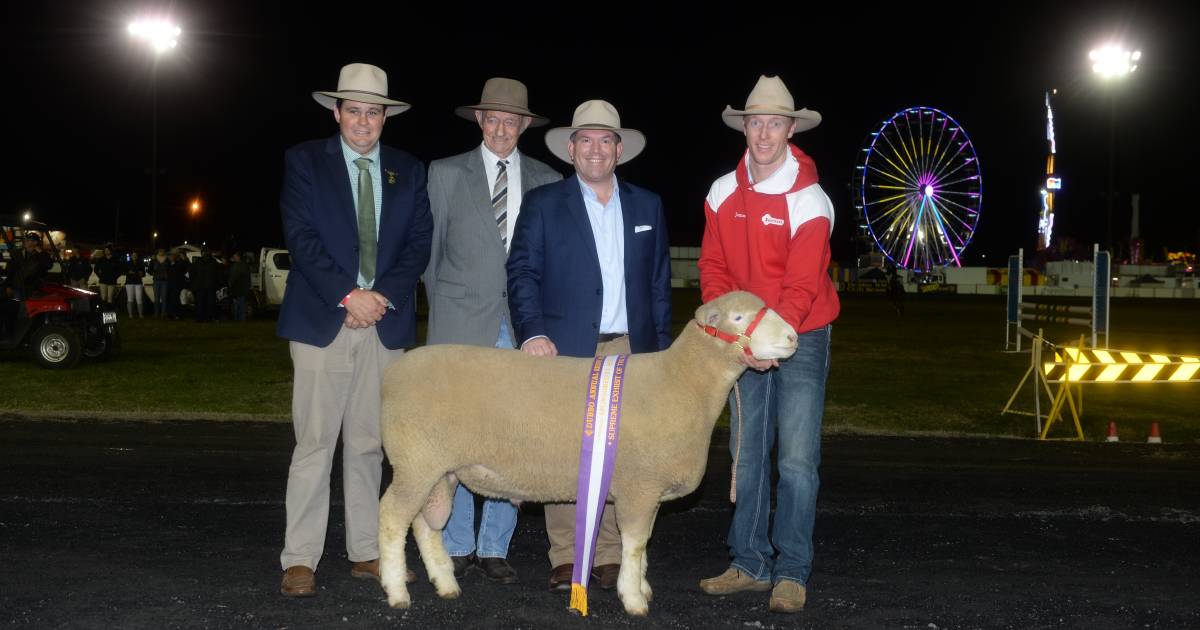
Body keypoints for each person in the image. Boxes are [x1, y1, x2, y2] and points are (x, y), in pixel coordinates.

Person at [276, 62, 432, 598]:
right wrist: (348, 295)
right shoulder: (304, 162)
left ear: (385, 117)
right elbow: (300, 237)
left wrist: (378, 298)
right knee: (315, 444)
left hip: (384, 325)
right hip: (323, 319)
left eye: (374, 111)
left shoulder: (409, 169)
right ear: (336, 112)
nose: (363, 121)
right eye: (354, 110)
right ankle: (300, 558)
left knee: (369, 444)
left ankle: (366, 549)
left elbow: (418, 245)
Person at [507, 100, 672, 592]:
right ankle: (567, 555)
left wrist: (659, 355)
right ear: (570, 149)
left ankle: (609, 555)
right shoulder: (543, 204)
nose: (595, 150)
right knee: (565, 452)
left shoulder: (648, 205)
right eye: (585, 140)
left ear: (619, 149)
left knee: (622, 454)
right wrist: (532, 333)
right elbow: (522, 274)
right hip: (565, 350)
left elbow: (660, 285)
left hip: (629, 349)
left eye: (605, 140)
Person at [696, 75, 839, 614]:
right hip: (744, 341)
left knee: (797, 461)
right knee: (747, 456)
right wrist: (733, 333)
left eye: (775, 123)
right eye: (756, 122)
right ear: (744, 128)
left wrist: (771, 341)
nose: (764, 133)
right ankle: (750, 563)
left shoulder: (810, 198)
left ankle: (792, 570)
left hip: (802, 336)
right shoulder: (720, 191)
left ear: (790, 129)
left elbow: (801, 287)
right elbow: (712, 267)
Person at [423, 77, 561, 585]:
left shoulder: (547, 179)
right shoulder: (444, 173)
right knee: (458, 439)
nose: (502, 127)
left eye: (512, 120)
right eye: (493, 118)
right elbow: (430, 259)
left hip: (523, 329)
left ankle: (494, 546)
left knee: (513, 437)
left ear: (525, 125)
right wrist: (442, 322)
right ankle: (457, 545)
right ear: (479, 120)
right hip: (460, 326)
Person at [190, 247, 219, 322]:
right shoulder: (213, 262)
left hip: (200, 286)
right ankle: (209, 318)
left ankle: (200, 318)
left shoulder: (198, 261)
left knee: (200, 303)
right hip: (210, 286)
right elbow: (217, 274)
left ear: (202, 253)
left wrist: (194, 282)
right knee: (210, 303)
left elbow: (192, 273)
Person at [227, 251, 251, 321]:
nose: (233, 258)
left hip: (237, 289)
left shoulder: (236, 266)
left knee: (238, 305)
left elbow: (233, 278)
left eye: (234, 257)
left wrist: (230, 285)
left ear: (238, 257)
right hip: (243, 289)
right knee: (241, 305)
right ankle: (240, 319)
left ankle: (239, 319)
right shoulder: (245, 265)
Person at [166, 249, 189, 319]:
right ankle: (172, 314)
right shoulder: (170, 263)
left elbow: (179, 271)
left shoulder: (180, 262)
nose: (170, 257)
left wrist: (173, 264)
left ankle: (176, 314)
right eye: (170, 255)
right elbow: (169, 272)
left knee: (175, 300)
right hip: (171, 284)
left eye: (172, 255)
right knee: (172, 300)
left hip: (177, 284)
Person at [149, 249, 170, 318]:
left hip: (165, 281)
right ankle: (156, 313)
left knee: (164, 298)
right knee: (156, 298)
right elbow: (149, 269)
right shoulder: (154, 260)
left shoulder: (167, 259)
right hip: (156, 280)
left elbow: (170, 269)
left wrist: (167, 274)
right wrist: (153, 273)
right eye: (160, 251)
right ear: (158, 252)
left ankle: (163, 313)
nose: (161, 252)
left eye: (162, 251)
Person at [123, 252, 145, 318]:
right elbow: (124, 271)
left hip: (138, 282)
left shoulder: (140, 263)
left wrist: (142, 273)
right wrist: (128, 272)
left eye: (135, 255)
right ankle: (130, 314)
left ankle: (140, 314)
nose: (134, 256)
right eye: (133, 255)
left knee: (139, 298)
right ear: (131, 256)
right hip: (129, 283)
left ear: (137, 256)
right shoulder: (128, 263)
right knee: (130, 298)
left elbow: (143, 273)